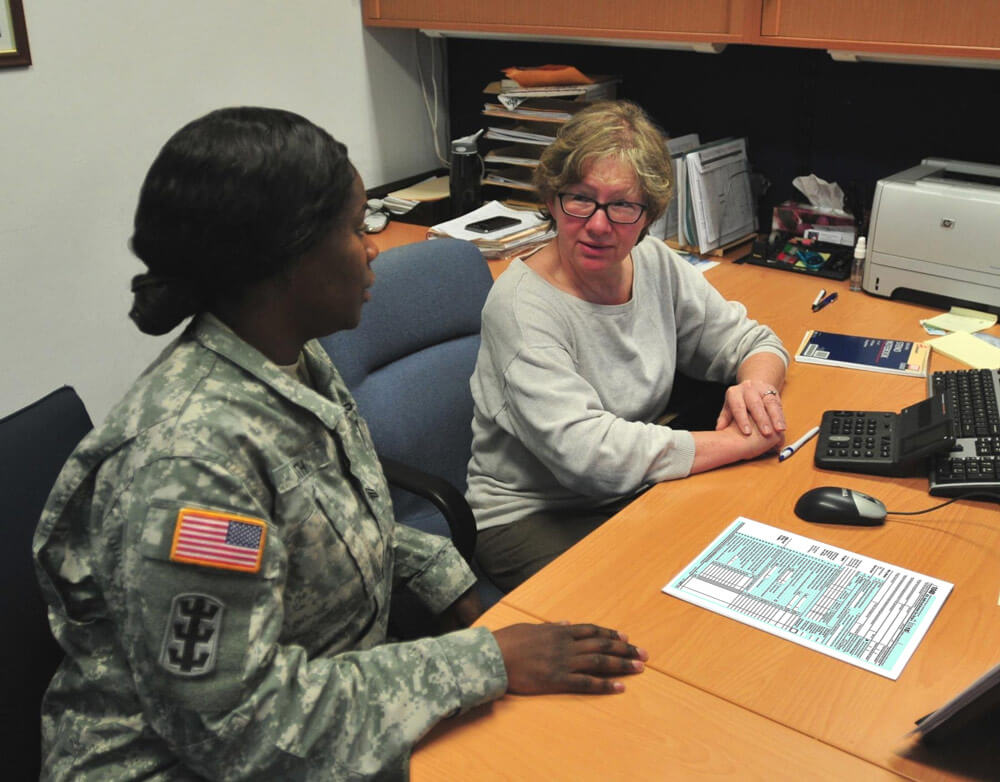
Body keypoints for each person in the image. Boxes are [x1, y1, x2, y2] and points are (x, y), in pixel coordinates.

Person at [32, 107, 647, 780]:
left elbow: (337, 516)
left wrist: (461, 593)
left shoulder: (290, 360)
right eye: (356, 230)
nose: (374, 248)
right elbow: (239, 730)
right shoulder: (190, 465)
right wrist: (485, 662)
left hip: (317, 708)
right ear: (284, 260)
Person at [467, 101, 789, 591]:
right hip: (534, 515)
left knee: (744, 568)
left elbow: (752, 341)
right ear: (553, 200)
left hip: (631, 488)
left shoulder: (655, 263)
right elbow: (590, 456)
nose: (599, 224)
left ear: (647, 216)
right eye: (580, 198)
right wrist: (737, 442)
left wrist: (758, 391)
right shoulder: (521, 307)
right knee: (647, 612)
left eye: (622, 206)